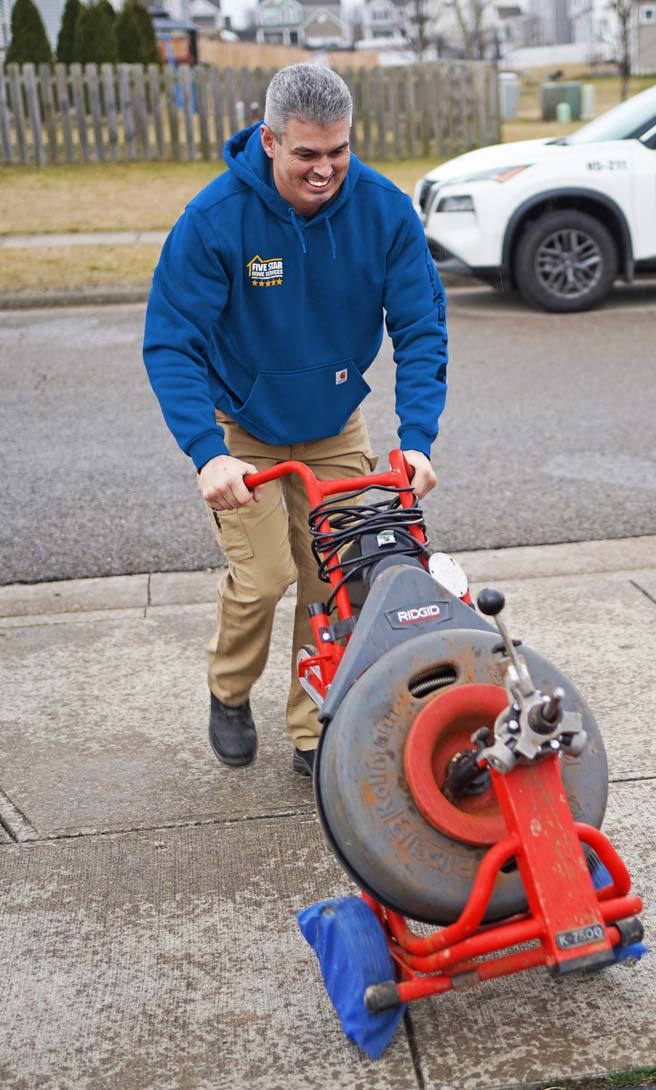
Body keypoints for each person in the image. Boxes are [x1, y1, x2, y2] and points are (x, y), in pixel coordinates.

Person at [143, 63, 447, 778]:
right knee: (266, 577)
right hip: (243, 428)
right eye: (306, 153)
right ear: (270, 140)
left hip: (334, 423)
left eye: (337, 151)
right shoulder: (217, 220)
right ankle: (228, 689)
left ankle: (312, 726)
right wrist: (205, 452)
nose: (325, 169)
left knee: (336, 577)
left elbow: (421, 324)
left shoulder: (382, 209)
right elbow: (171, 340)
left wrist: (417, 437)